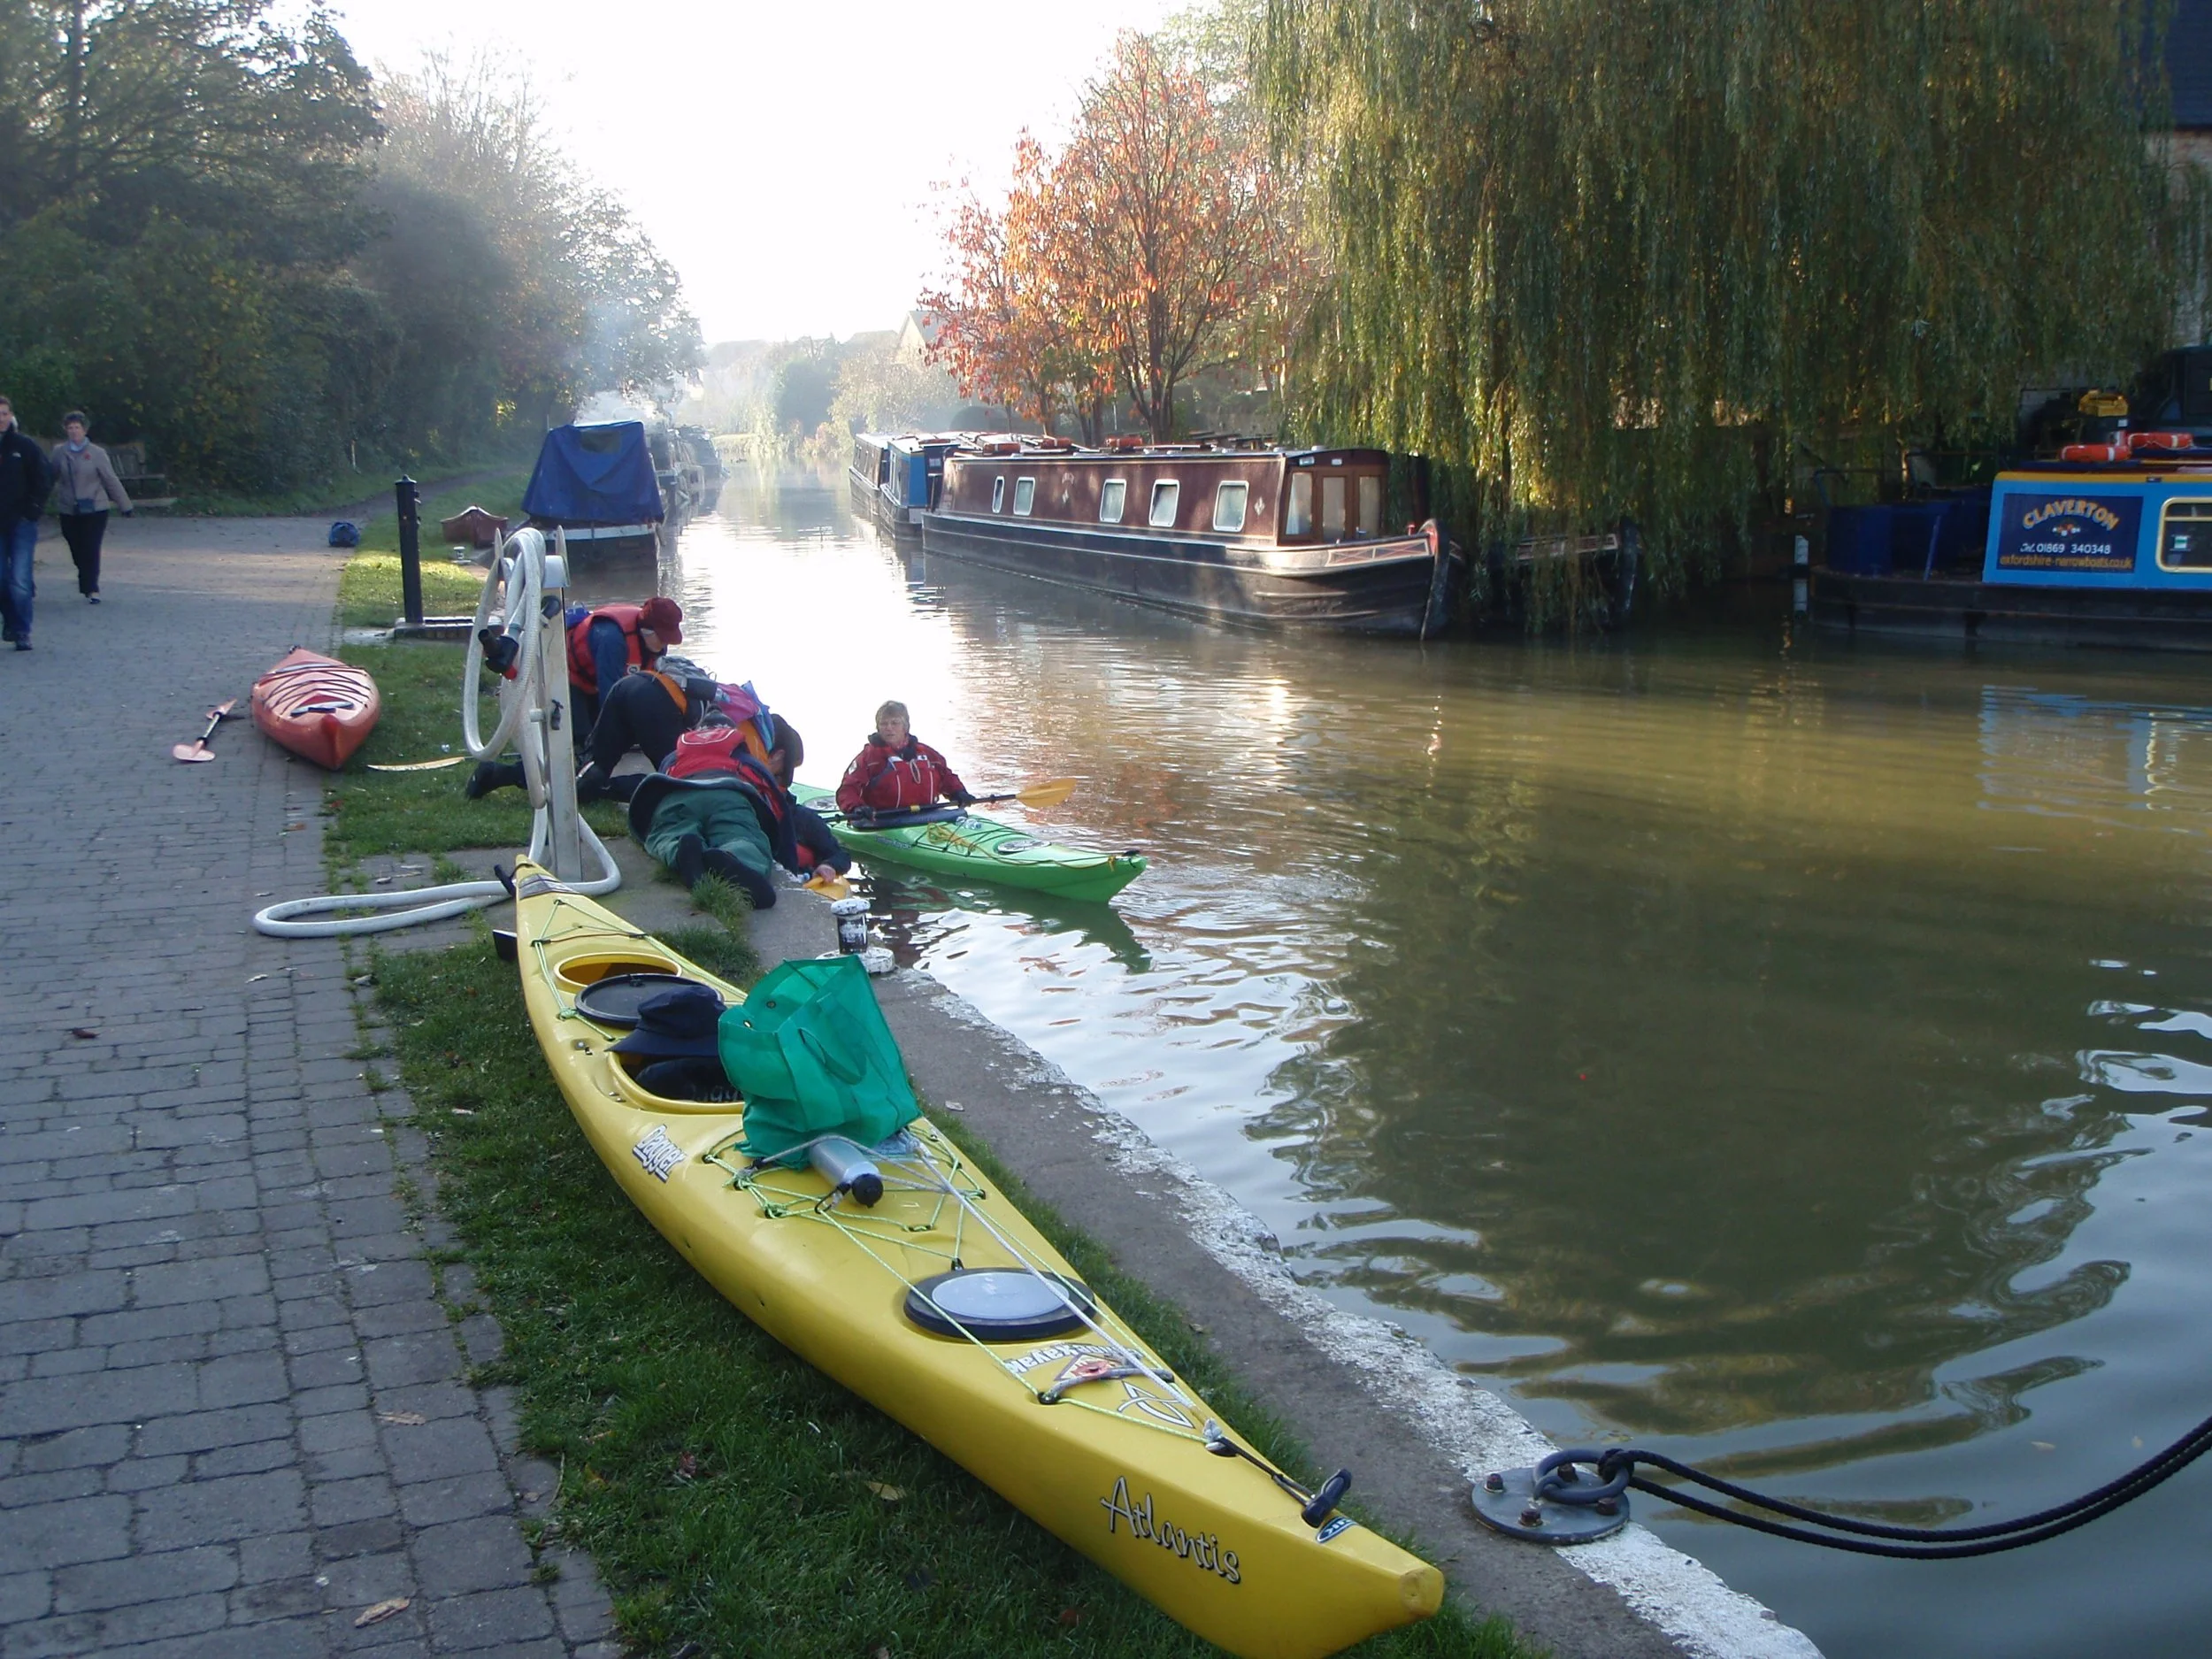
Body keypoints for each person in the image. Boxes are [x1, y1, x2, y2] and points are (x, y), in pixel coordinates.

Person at [465, 668, 809, 807]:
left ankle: (498, 775)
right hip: (656, 703)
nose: (775, 776)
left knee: (589, 766)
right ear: (778, 756)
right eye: (780, 773)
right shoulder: (754, 741)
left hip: (633, 685)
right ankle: (603, 789)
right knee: (674, 785)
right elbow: (748, 791)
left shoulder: (748, 708)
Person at [625, 723, 810, 910]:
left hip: (678, 793)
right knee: (743, 838)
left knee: (668, 833)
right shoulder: (749, 761)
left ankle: (680, 850)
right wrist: (790, 869)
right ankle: (732, 856)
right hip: (730, 796)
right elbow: (782, 818)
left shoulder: (674, 757)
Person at [834, 700, 975, 821]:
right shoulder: (869, 758)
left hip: (928, 816)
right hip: (884, 821)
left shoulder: (927, 754)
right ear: (878, 728)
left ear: (905, 726)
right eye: (884, 724)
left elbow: (947, 777)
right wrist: (856, 807)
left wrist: (958, 792)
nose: (889, 728)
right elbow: (848, 789)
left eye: (895, 723)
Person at [565, 595, 683, 732]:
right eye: (663, 639)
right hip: (574, 679)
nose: (665, 644)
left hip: (603, 678)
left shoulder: (656, 644)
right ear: (647, 631)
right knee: (586, 735)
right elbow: (610, 698)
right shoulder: (612, 640)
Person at [49, 412, 132, 603]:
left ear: (85, 430)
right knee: (76, 546)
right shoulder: (59, 452)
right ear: (66, 430)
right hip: (69, 508)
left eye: (77, 427)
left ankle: (92, 588)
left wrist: (125, 505)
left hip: (95, 507)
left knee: (91, 546)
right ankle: (84, 574)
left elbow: (110, 479)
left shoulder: (97, 453)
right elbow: (49, 477)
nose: (74, 431)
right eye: (70, 428)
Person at [0, 396, 52, 651]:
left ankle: (22, 631)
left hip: (21, 521)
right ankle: (11, 621)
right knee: (1, 579)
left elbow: (44, 477)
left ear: (11, 416)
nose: (1, 419)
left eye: (4, 414)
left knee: (20, 580)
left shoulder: (24, 446)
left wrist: (33, 509)